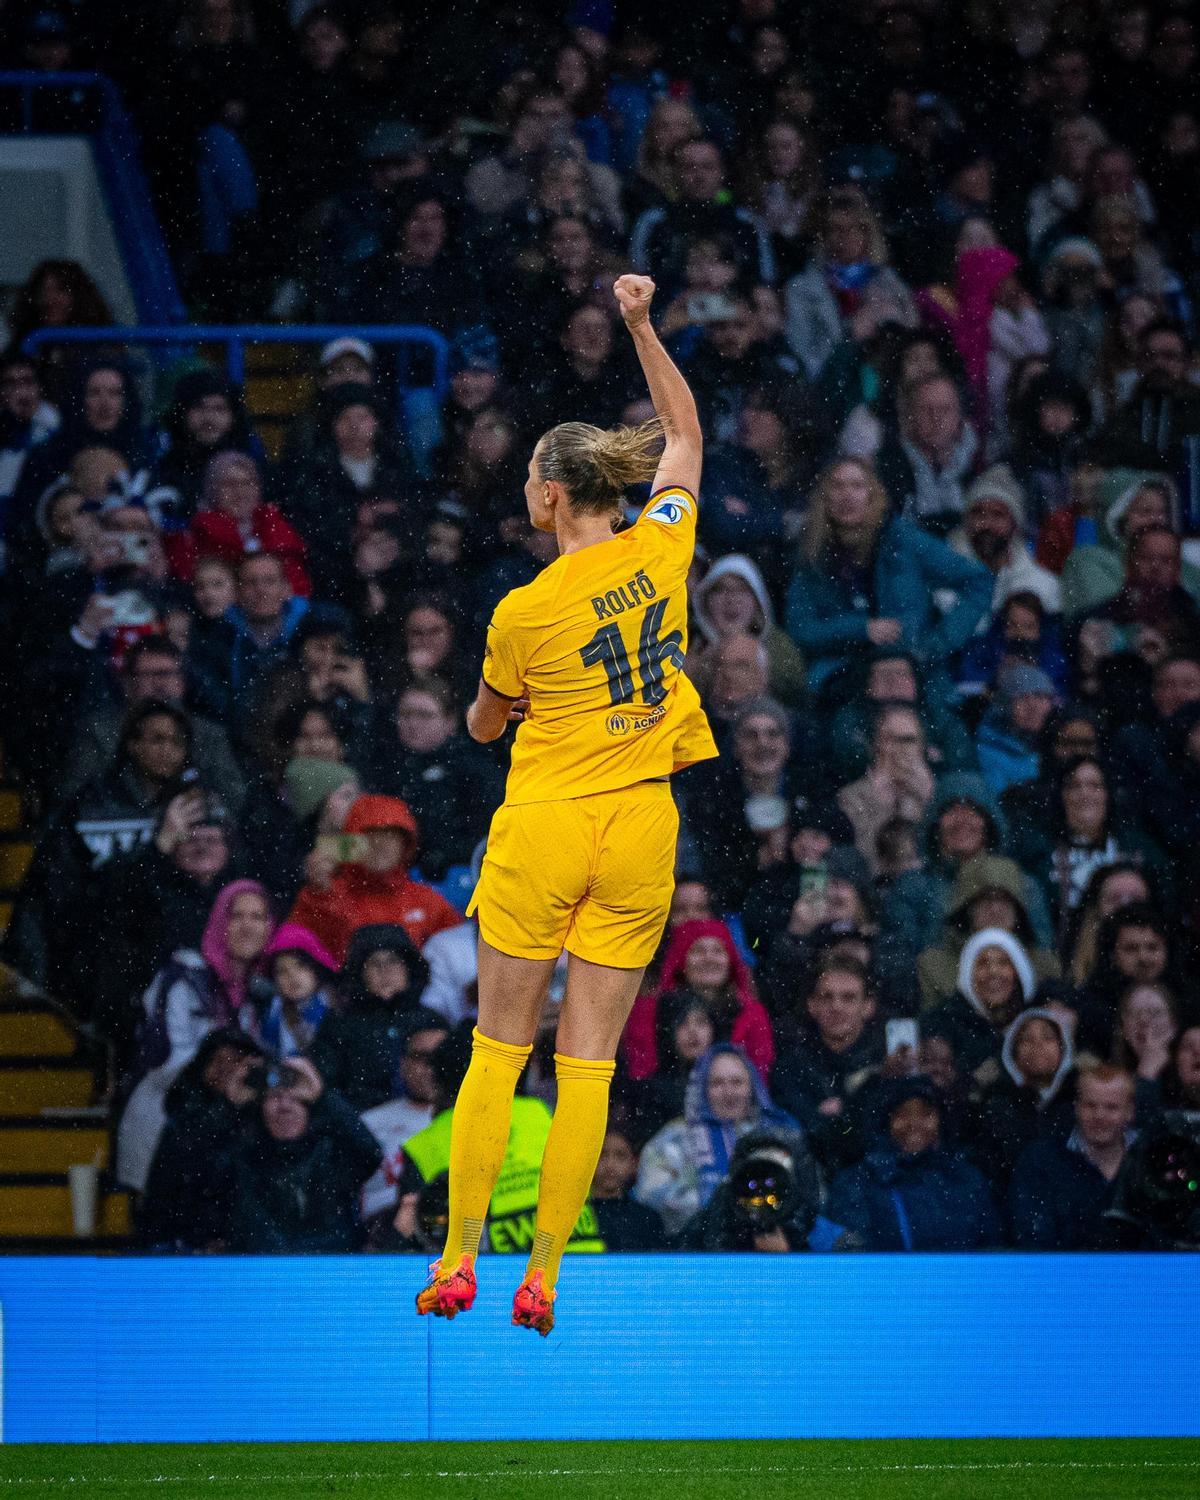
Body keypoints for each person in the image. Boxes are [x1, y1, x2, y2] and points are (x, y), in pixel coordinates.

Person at [416, 274, 717, 1335]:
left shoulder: (523, 609)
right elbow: (682, 431)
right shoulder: (663, 545)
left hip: (548, 822)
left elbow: (487, 727)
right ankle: (545, 1275)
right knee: (588, 1064)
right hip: (643, 825)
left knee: (500, 1050)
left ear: (549, 495)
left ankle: (460, 1259)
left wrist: (481, 713)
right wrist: (642, 323)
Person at [116, 880, 275, 1193]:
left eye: (258, 917)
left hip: (227, 1134)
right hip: (167, 1126)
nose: (248, 926)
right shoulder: (184, 977)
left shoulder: (264, 992)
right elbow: (163, 1058)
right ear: (219, 922)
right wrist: (231, 1071)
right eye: (237, 916)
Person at [783, 457, 991, 695]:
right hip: (843, 678)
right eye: (837, 486)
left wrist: (937, 644)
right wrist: (861, 628)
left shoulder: (904, 540)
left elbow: (979, 580)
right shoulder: (812, 557)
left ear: (872, 495)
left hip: (915, 674)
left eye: (857, 486)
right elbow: (800, 629)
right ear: (824, 498)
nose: (847, 495)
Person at [816, 1075, 1001, 1251]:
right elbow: (850, 1256)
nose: (914, 1123)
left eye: (925, 1113)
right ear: (886, 1121)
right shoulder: (857, 1181)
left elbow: (992, 1250)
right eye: (901, 1114)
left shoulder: (966, 1179)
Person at [633, 1044, 797, 1239]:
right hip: (692, 1253)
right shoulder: (674, 1138)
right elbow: (651, 1195)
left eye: (737, 1082)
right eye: (717, 1083)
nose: (729, 1092)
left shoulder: (776, 1135)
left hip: (768, 1251)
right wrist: (731, 1210)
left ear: (751, 1086)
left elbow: (804, 1194)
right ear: (701, 1088)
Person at [226, 1056, 382, 1253]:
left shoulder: (332, 1154)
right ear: (259, 1106)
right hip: (261, 1272)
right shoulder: (244, 1156)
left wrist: (323, 1095)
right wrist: (228, 1106)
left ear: (311, 1108)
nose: (284, 1107)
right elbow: (200, 1173)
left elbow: (370, 1152)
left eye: (295, 1098)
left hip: (330, 1269)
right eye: (274, 1097)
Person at [288, 794, 462, 964]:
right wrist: (320, 894)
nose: (380, 844)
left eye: (390, 835)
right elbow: (296, 953)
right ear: (352, 841)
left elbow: (461, 957)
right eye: (371, 835)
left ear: (405, 843)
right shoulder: (324, 894)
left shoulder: (426, 900)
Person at [622, 919, 775, 1084]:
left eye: (718, 950)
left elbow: (757, 1081)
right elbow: (641, 1076)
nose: (709, 958)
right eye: (698, 950)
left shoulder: (752, 1014)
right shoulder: (649, 1011)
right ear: (681, 960)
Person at [770, 957, 884, 1172]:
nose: (836, 1007)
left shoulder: (888, 1064)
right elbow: (807, 1134)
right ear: (811, 1005)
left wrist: (841, 1111)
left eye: (848, 998)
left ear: (868, 1007)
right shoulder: (790, 1067)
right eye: (826, 997)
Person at [1008, 1064, 1136, 1248]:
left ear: (1130, 1112)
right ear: (1076, 1107)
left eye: (1111, 1107)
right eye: (1090, 1105)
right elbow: (1032, 1241)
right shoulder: (1040, 1161)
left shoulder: (1150, 1159)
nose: (1099, 1115)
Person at [308, 923, 431, 1112]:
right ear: (360, 973)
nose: (385, 971)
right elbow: (325, 1084)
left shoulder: (430, 1021)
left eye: (393, 961)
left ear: (409, 968)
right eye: (374, 962)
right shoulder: (340, 1024)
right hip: (363, 1124)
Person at [967, 1007, 1077, 1192]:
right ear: (1012, 1052)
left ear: (1063, 1047)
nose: (1037, 1045)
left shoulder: (1078, 1100)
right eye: (1026, 1039)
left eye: (1048, 1037)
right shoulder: (996, 1104)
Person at [925, 926, 1038, 1081]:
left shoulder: (1037, 1018)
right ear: (967, 974)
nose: (993, 972)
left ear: (1018, 971)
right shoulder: (942, 1022)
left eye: (1003, 962)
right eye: (983, 963)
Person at [257, 923, 338, 1058]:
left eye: (300, 966)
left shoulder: (332, 1004)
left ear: (315, 969)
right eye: (282, 971)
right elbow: (268, 1051)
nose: (292, 976)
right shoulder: (274, 1011)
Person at [589, 1123, 666, 1250]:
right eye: (602, 1154)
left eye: (620, 1156)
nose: (610, 1165)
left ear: (634, 1164)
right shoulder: (577, 1217)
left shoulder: (646, 1220)